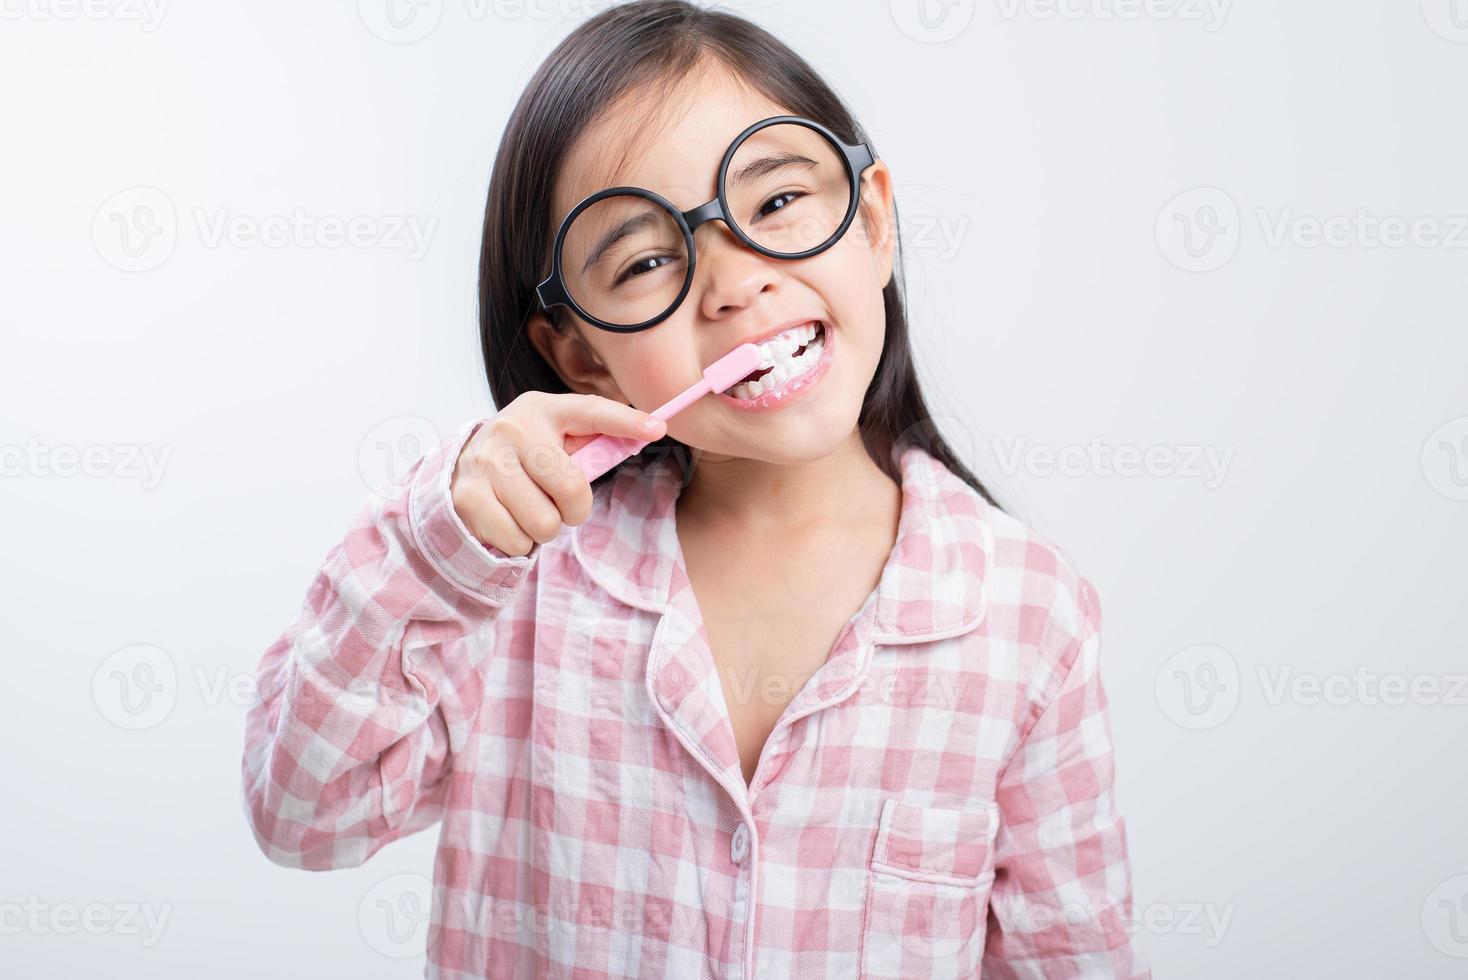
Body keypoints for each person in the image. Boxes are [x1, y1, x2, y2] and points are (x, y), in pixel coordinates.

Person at [240, 2, 1148, 976]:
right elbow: (305, 813)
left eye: (776, 202)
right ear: (583, 356)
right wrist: (439, 545)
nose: (733, 283)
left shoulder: (1023, 612)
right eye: (643, 259)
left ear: (873, 221)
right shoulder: (510, 580)